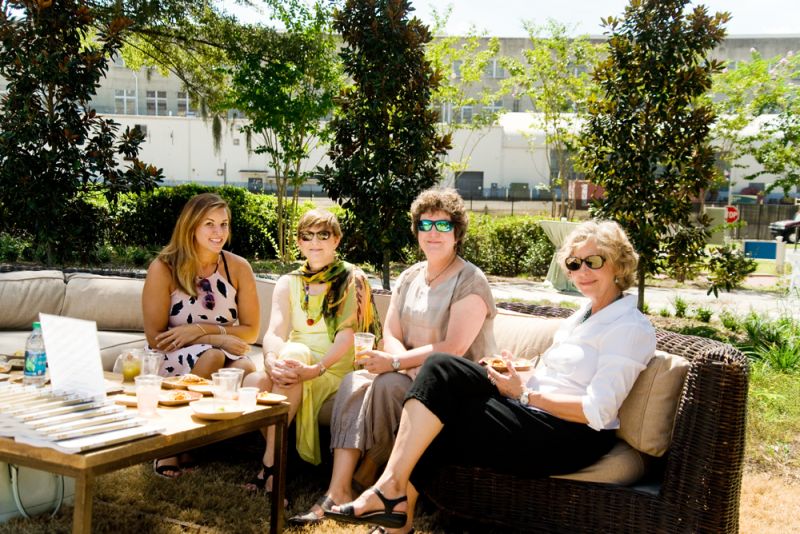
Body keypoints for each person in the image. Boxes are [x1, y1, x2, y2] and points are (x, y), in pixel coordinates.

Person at [325, 220, 657, 534]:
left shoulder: (628, 327)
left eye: (593, 261)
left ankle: (390, 494)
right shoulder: (583, 315)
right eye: (573, 263)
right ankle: (396, 507)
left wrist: (524, 394)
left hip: (569, 436)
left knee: (441, 371)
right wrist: (522, 371)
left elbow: (597, 410)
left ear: (619, 264)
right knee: (440, 387)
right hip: (537, 414)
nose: (581, 271)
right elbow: (565, 376)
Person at [290, 188, 497, 525]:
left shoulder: (469, 280)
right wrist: (398, 365)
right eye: (425, 225)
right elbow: (391, 334)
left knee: (385, 385)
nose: (433, 233)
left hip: (454, 388)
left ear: (457, 233)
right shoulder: (410, 276)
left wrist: (398, 365)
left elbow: (454, 347)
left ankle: (378, 483)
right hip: (407, 375)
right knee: (354, 380)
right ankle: (339, 488)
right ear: (416, 231)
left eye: (443, 226)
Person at [243, 209, 382, 495]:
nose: (314, 243)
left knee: (292, 358)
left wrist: (315, 369)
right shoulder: (288, 282)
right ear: (299, 242)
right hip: (295, 362)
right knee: (254, 381)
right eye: (307, 236)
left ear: (337, 240)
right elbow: (274, 332)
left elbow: (347, 335)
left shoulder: (350, 278)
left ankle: (271, 466)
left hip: (331, 367)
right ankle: (278, 460)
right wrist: (270, 361)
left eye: (323, 235)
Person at [142, 192, 260, 478]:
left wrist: (203, 331)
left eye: (224, 224)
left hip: (221, 348)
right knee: (212, 356)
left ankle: (196, 441)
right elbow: (156, 337)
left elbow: (252, 330)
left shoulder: (238, 268)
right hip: (170, 352)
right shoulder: (164, 268)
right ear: (191, 226)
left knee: (243, 366)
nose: (218, 232)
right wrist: (215, 339)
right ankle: (169, 445)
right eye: (209, 224)